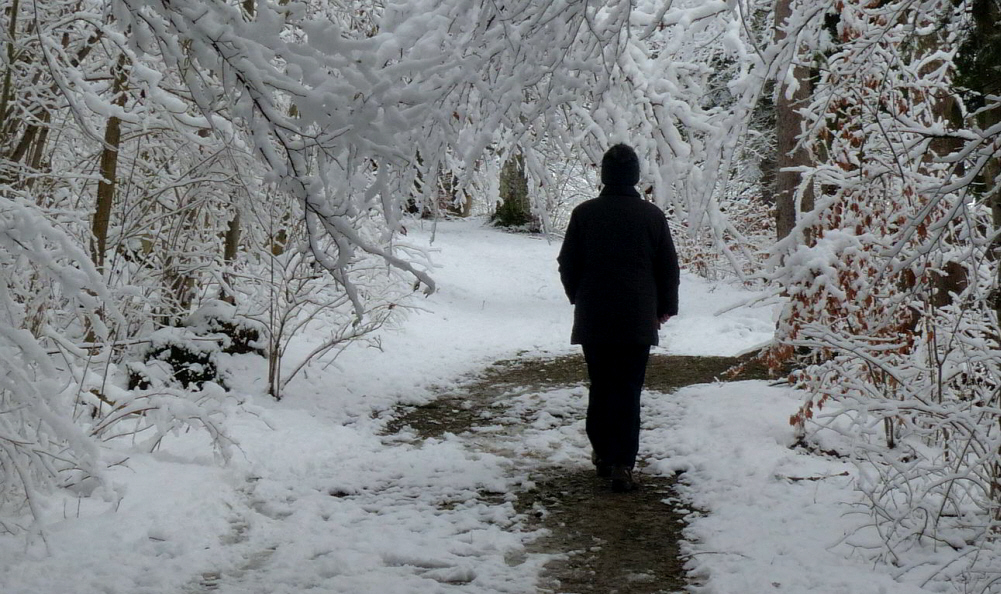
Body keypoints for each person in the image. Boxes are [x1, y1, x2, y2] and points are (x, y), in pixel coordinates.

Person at [557, 143, 680, 492]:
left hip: (595, 316)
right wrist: (665, 308)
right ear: (635, 177)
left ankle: (603, 453)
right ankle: (624, 463)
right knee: (628, 389)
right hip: (638, 319)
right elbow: (668, 267)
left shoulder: (585, 213)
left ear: (604, 175)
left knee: (601, 385)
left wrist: (577, 296)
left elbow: (568, 263)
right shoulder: (652, 216)